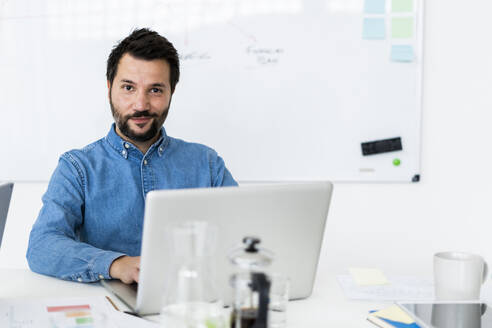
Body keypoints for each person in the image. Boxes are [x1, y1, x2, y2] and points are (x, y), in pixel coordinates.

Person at [26, 28, 237, 284]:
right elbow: (42, 246)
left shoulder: (207, 163)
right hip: (110, 308)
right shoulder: (77, 168)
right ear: (109, 88)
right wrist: (115, 264)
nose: (140, 104)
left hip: (192, 300)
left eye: (155, 90)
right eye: (128, 87)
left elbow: (244, 233)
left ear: (172, 91)